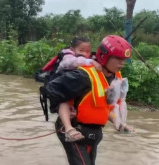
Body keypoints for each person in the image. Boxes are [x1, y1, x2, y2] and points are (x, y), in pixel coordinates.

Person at [46, 35, 133, 165]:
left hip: (94, 133)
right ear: (104, 56)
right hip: (75, 128)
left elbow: (105, 107)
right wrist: (62, 111)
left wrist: (118, 122)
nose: (122, 63)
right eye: (118, 58)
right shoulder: (83, 75)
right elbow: (52, 88)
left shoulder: (116, 78)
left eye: (124, 59)